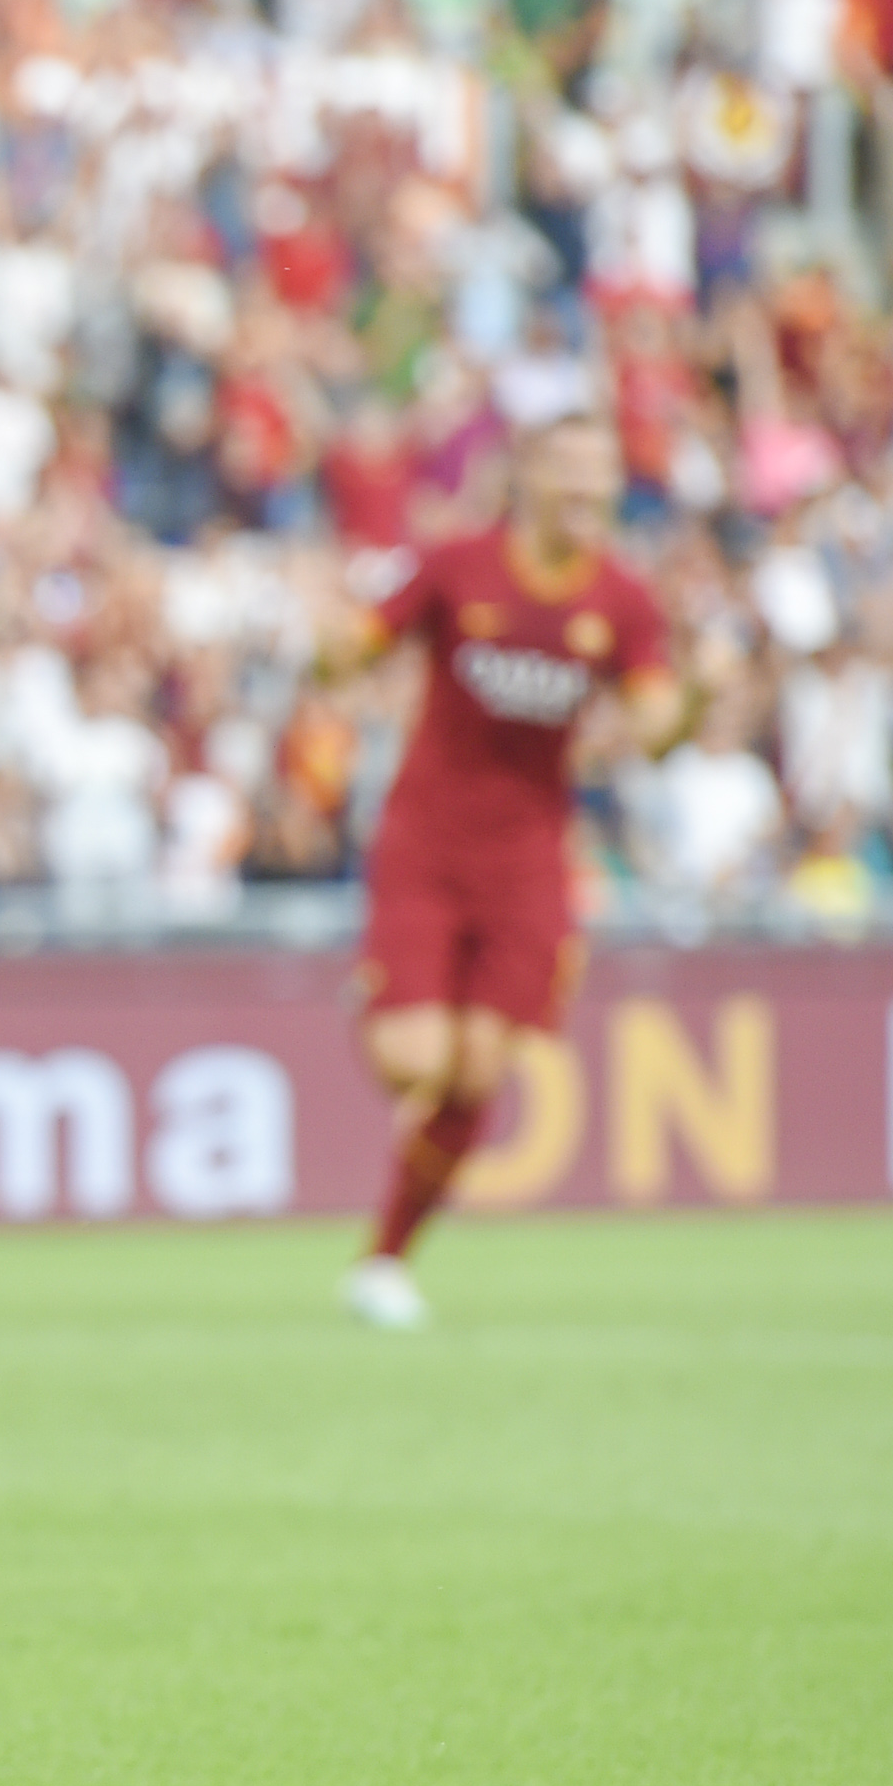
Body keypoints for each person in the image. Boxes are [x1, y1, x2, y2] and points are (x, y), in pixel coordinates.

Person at [329, 411, 679, 1330]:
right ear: (527, 477)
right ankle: (372, 996)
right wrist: (335, 644)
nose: (587, 491)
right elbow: (363, 639)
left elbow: (651, 719)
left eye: (600, 474)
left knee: (479, 1073)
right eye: (569, 470)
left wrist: (677, 711)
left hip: (527, 861)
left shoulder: (623, 599)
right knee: (416, 1064)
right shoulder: (458, 567)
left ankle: (385, 1262)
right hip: (427, 845)